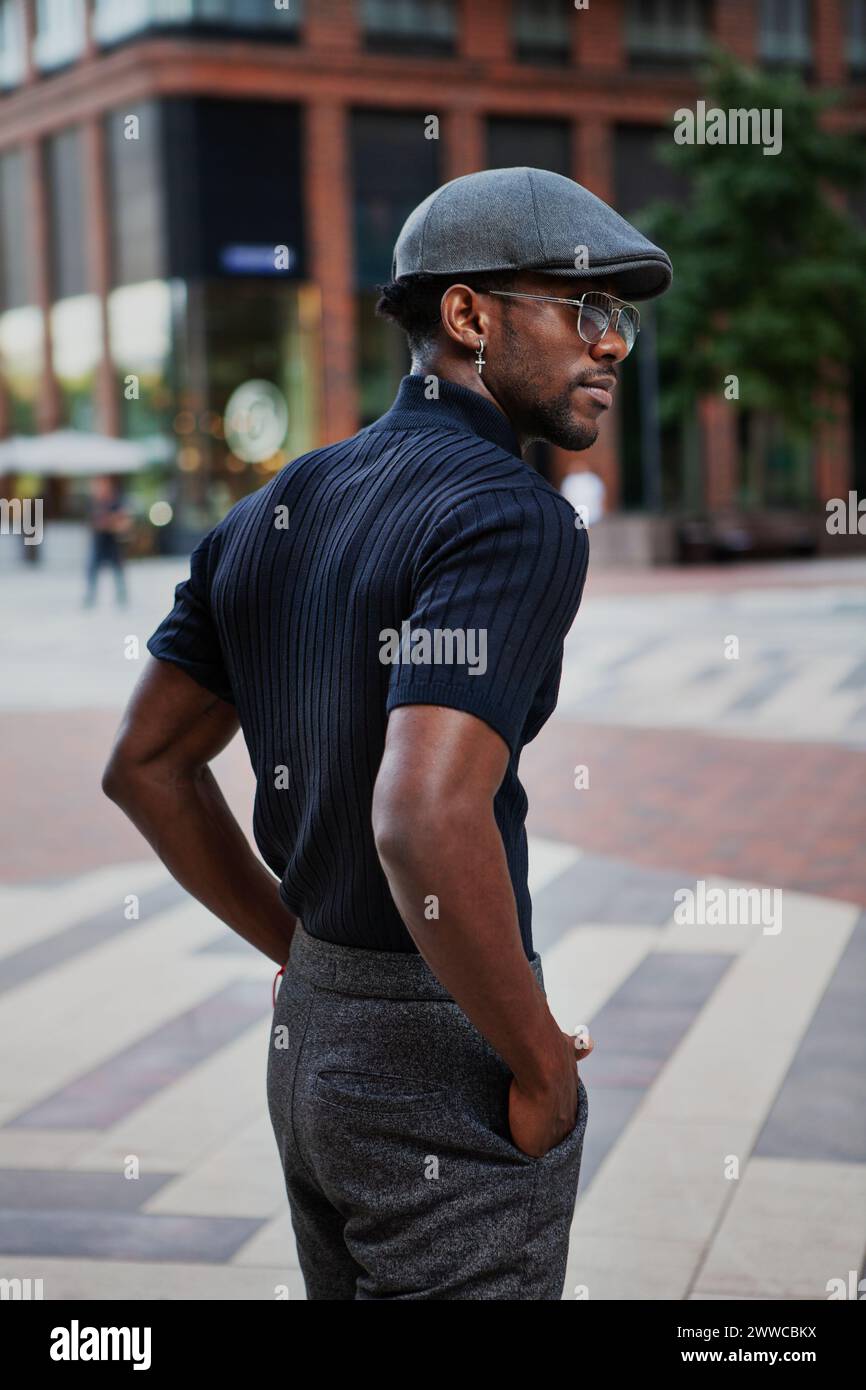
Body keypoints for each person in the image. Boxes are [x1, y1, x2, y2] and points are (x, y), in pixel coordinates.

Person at [102, 166, 672, 1300]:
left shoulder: (277, 504)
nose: (611, 345)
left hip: (311, 1040)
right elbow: (421, 815)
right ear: (466, 316)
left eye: (619, 318)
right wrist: (539, 1065)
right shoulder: (511, 516)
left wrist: (296, 954)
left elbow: (147, 766)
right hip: (436, 1049)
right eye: (583, 308)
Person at [83, 475, 131, 607]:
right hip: (98, 543)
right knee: (92, 571)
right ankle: (90, 597)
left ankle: (122, 597)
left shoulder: (115, 502)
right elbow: (93, 523)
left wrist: (109, 522)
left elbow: (123, 522)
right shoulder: (94, 503)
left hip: (112, 543)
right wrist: (110, 521)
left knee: (118, 571)